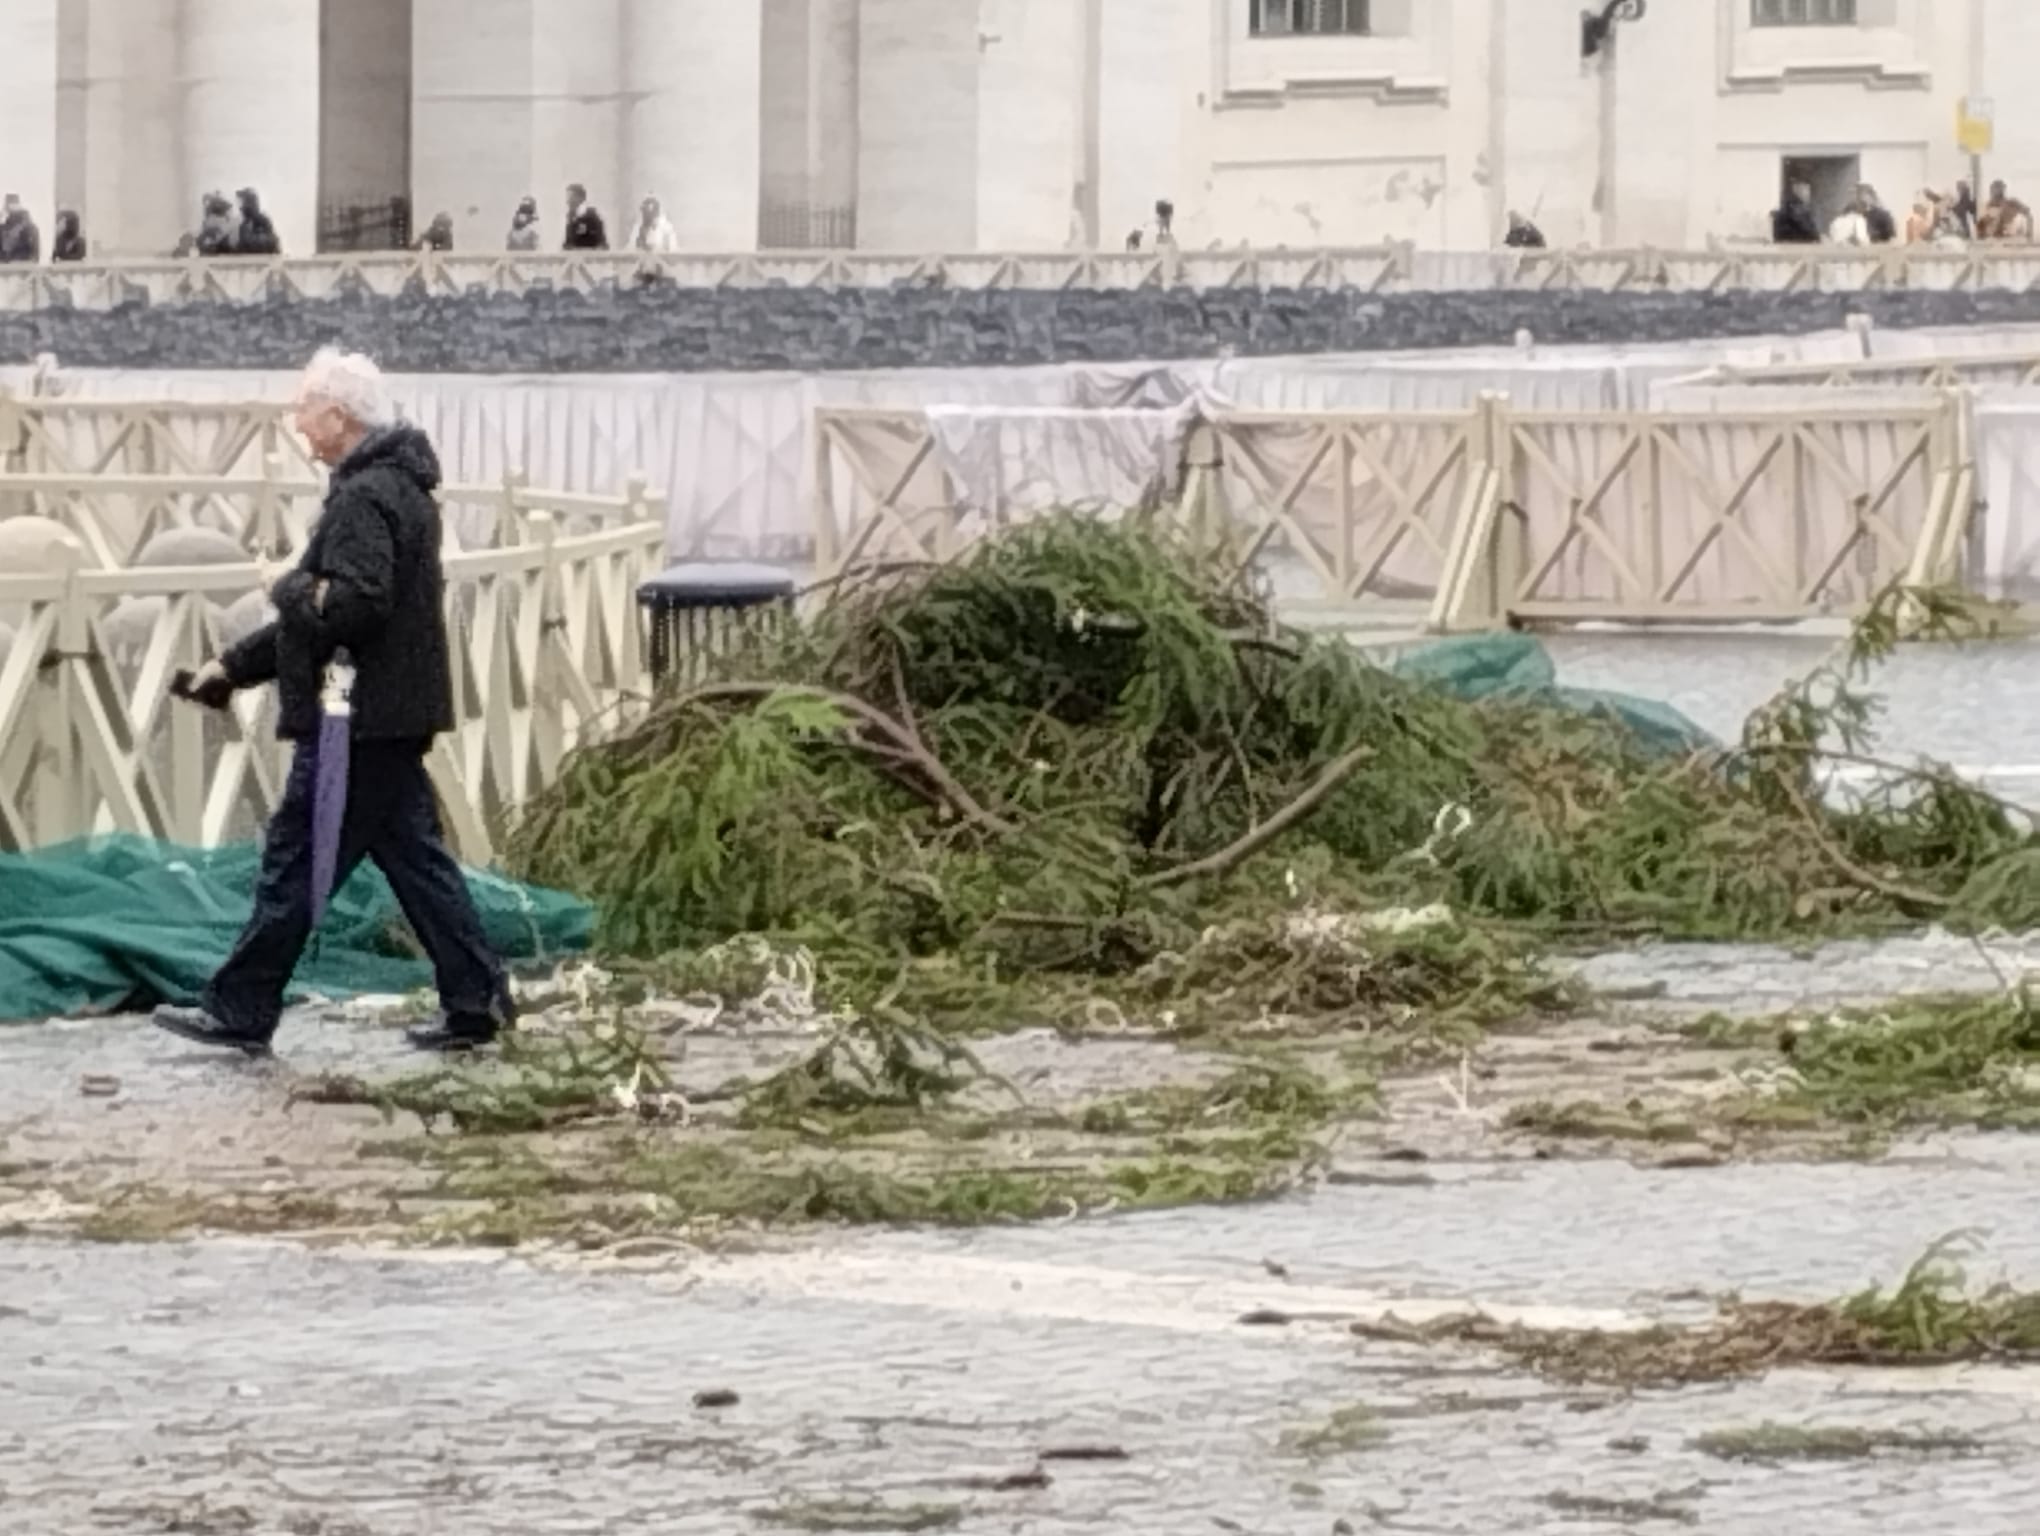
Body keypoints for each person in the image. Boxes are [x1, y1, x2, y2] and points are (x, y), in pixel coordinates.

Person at [155, 349, 515, 1058]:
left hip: (356, 719)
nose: (297, 423)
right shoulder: (401, 489)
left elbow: (351, 606)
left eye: (304, 409)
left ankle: (242, 1007)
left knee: (294, 861)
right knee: (417, 861)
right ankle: (478, 1001)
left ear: (339, 416)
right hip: (390, 714)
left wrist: (281, 582)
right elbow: (329, 611)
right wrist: (232, 666)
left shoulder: (361, 498)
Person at [1771, 180, 1820, 244]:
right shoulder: (1784, 215)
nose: (1807, 193)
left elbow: (1815, 236)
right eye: (1803, 189)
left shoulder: (1806, 214)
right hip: (1791, 247)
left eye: (1807, 189)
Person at [235, 188, 280, 255]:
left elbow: (272, 241)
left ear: (251, 203)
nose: (240, 207)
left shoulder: (263, 221)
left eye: (244, 202)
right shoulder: (243, 225)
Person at [564, 183, 608, 251]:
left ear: (580, 198)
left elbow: (601, 243)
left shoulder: (592, 216)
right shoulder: (570, 217)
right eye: (567, 198)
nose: (568, 201)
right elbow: (568, 243)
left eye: (571, 197)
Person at [0, 195, 40, 264]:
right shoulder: (31, 226)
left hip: (21, 267)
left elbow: (34, 254)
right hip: (14, 268)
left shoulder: (29, 227)